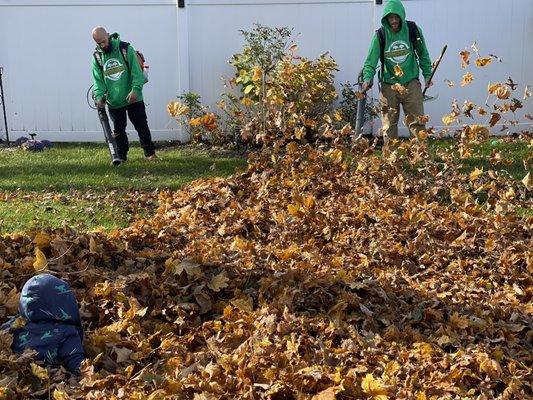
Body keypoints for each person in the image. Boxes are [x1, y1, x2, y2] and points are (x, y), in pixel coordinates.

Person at [362, 0, 432, 143]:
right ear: (386, 18)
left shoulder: (413, 29)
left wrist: (427, 74)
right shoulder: (380, 35)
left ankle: (422, 158)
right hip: (389, 85)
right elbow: (370, 61)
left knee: (417, 123)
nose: (393, 21)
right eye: (390, 17)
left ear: (401, 16)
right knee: (389, 125)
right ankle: (390, 161)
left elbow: (423, 54)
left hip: (411, 83)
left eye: (396, 17)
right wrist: (367, 78)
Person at [91, 26, 156, 162]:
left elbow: (136, 73)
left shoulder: (125, 49)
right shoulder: (97, 57)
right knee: (118, 131)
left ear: (108, 35)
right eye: (99, 43)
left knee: (141, 125)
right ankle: (121, 157)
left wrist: (135, 90)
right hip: (114, 101)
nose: (102, 45)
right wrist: (99, 96)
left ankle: (150, 154)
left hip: (134, 97)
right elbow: (98, 81)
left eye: (104, 41)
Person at [1, 274, 84, 374]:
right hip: (48, 378)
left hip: (15, 373)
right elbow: (78, 364)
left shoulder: (15, 325)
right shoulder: (66, 332)